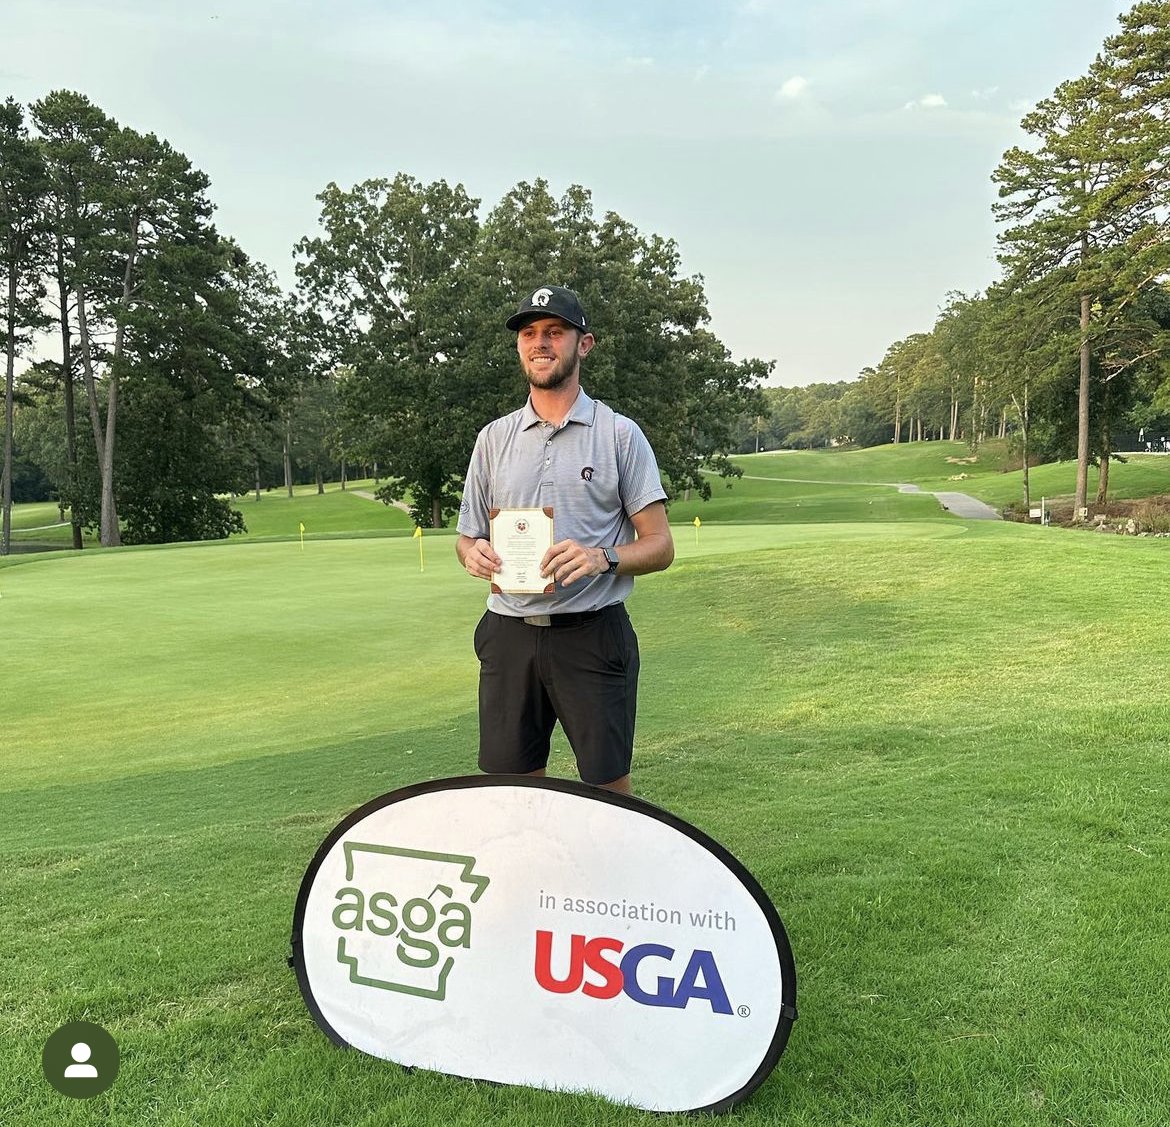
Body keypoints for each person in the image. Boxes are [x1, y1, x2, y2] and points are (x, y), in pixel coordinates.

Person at [456, 285, 674, 795]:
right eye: (529, 334)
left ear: (584, 343)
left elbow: (660, 545)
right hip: (509, 636)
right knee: (514, 793)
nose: (540, 343)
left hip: (593, 637)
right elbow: (466, 538)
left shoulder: (620, 435)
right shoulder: (493, 439)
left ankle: (607, 876)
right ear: (519, 347)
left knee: (608, 794)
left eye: (555, 332)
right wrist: (474, 554)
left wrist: (603, 558)